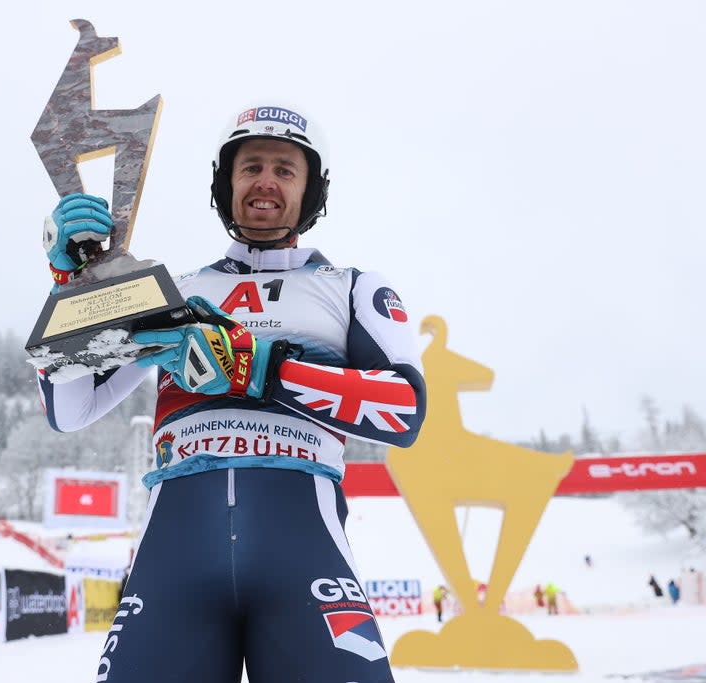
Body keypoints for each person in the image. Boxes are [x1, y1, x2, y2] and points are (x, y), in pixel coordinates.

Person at [37, 103, 427, 682]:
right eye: (250, 168)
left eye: (285, 169)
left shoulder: (352, 288)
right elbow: (71, 409)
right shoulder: (174, 291)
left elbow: (404, 411)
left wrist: (259, 369)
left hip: (303, 557)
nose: (265, 181)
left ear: (311, 190)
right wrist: (72, 288)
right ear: (227, 184)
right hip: (175, 559)